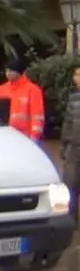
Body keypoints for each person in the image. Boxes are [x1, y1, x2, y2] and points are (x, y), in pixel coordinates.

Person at [0, 58, 45, 144]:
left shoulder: (33, 90)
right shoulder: (1, 89)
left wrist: (34, 138)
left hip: (25, 138)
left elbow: (37, 116)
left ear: (19, 72)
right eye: (6, 71)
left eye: (10, 71)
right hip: (4, 137)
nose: (7, 73)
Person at [59, 66, 80, 225]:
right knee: (70, 184)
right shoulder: (73, 99)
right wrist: (64, 146)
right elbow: (67, 123)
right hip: (73, 148)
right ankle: (71, 220)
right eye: (76, 74)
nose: (77, 77)